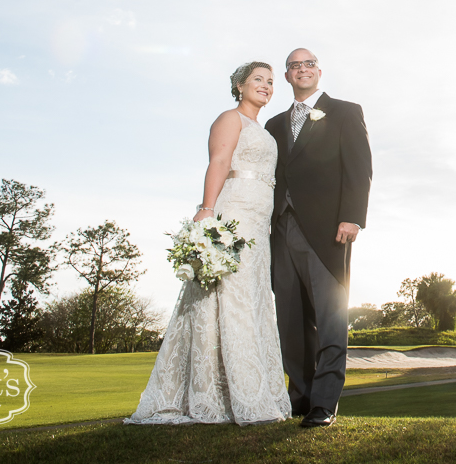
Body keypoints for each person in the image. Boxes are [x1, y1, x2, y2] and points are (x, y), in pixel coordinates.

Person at [126, 62, 292, 426]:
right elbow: (218, 162)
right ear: (239, 85)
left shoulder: (262, 129)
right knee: (228, 300)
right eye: (257, 80)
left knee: (252, 299)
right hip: (234, 215)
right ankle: (232, 396)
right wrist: (206, 209)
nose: (265, 86)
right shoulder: (229, 119)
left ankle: (242, 391)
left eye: (269, 82)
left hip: (259, 222)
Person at [266, 48, 371, 428]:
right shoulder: (273, 125)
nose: (302, 69)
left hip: (329, 230)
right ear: (288, 76)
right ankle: (300, 397)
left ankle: (325, 403)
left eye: (308, 63)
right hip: (281, 230)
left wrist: (351, 218)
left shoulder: (345, 111)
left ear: (318, 71)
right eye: (295, 66)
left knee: (329, 318)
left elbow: (360, 169)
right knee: (291, 320)